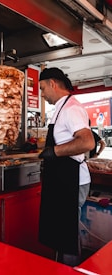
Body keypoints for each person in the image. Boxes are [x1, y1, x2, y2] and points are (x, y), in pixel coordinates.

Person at [38, 67, 95, 267]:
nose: (42, 94)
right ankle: (61, 266)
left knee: (67, 232)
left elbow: (87, 142)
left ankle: (71, 269)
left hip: (72, 180)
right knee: (61, 230)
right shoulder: (62, 108)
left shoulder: (71, 108)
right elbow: (64, 138)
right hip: (62, 179)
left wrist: (54, 152)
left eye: (43, 89)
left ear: (53, 84)